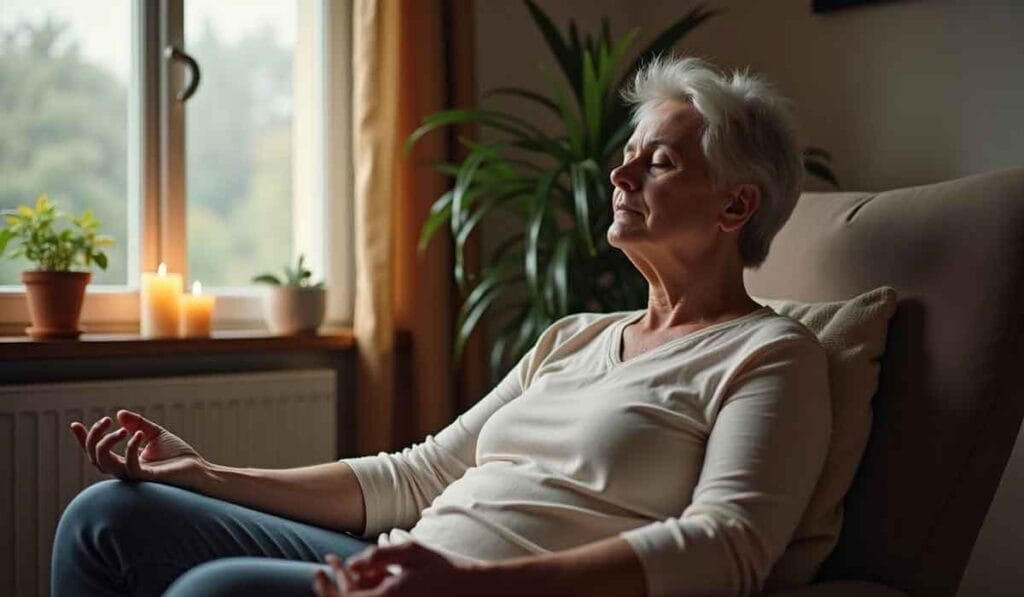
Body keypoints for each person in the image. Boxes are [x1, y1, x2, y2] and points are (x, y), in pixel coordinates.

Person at [51, 56, 830, 597]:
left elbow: (728, 545)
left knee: (214, 590)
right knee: (105, 517)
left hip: (483, 589)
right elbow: (416, 475)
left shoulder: (768, 355)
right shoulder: (575, 336)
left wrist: (474, 585)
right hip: (402, 566)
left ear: (736, 206)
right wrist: (209, 474)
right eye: (626, 156)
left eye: (656, 162)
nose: (618, 176)